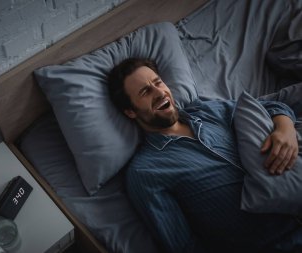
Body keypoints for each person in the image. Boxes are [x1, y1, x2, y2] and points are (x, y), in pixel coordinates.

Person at [108, 58, 301, 253]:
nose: (159, 93)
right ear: (131, 112)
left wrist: (285, 127)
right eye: (145, 92)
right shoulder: (146, 171)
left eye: (157, 83)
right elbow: (183, 246)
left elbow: (265, 107)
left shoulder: (207, 110)